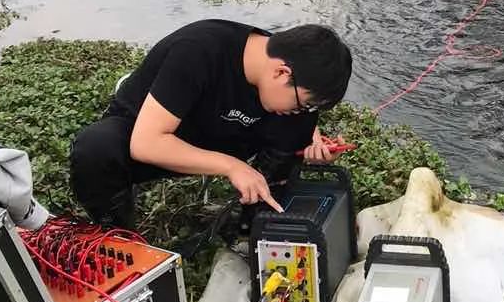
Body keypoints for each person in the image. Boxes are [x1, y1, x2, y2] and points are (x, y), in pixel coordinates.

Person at [69, 20, 352, 229]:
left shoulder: (282, 66)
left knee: (295, 122)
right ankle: (117, 230)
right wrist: (231, 166)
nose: (302, 111)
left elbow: (296, 113)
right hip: (153, 136)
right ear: (281, 72)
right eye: (304, 103)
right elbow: (146, 143)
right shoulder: (198, 50)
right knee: (95, 149)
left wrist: (310, 139)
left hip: (220, 134)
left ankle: (255, 215)